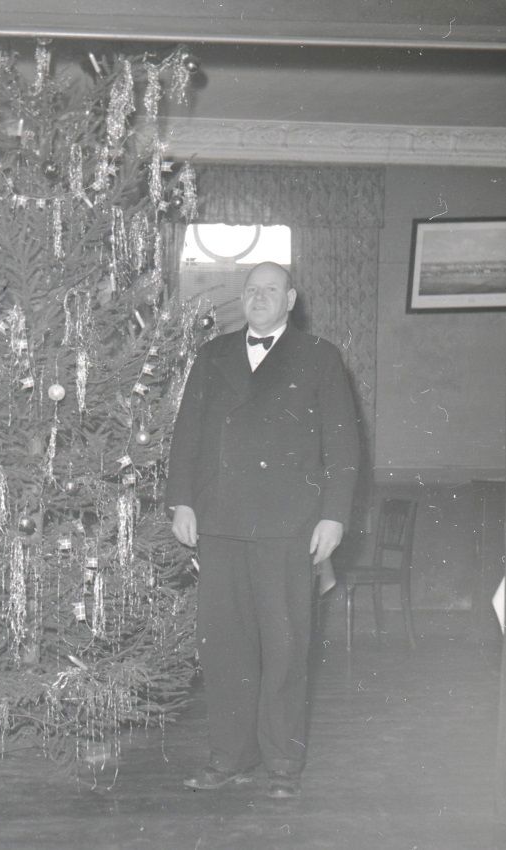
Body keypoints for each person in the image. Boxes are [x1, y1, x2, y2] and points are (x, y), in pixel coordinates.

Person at [167, 262, 360, 797]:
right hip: (221, 522)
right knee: (225, 647)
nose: (259, 297)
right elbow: (187, 435)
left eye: (271, 290)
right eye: (252, 290)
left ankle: (282, 764)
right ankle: (230, 756)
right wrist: (182, 502)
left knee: (285, 647)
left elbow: (343, 444)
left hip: (288, 524)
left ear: (290, 299)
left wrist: (334, 515)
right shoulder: (213, 356)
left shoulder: (320, 356)